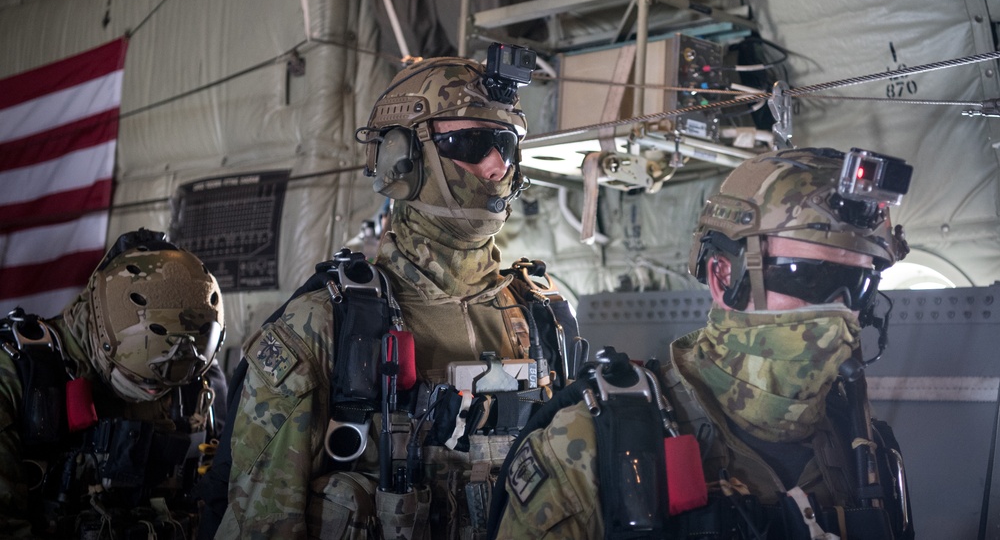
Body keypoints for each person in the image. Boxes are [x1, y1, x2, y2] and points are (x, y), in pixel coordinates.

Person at [206, 50, 579, 539]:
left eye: (506, 146)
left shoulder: (544, 318)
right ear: (401, 157)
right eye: (472, 141)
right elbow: (262, 524)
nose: (495, 166)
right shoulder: (324, 325)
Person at [490, 146, 915, 540]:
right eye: (806, 277)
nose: (835, 308)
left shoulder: (865, 449)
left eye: (857, 286)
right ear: (723, 276)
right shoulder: (590, 445)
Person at [0, 228, 228, 539]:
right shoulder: (15, 375)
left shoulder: (198, 381)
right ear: (101, 332)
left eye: (168, 382)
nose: (156, 391)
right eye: (138, 377)